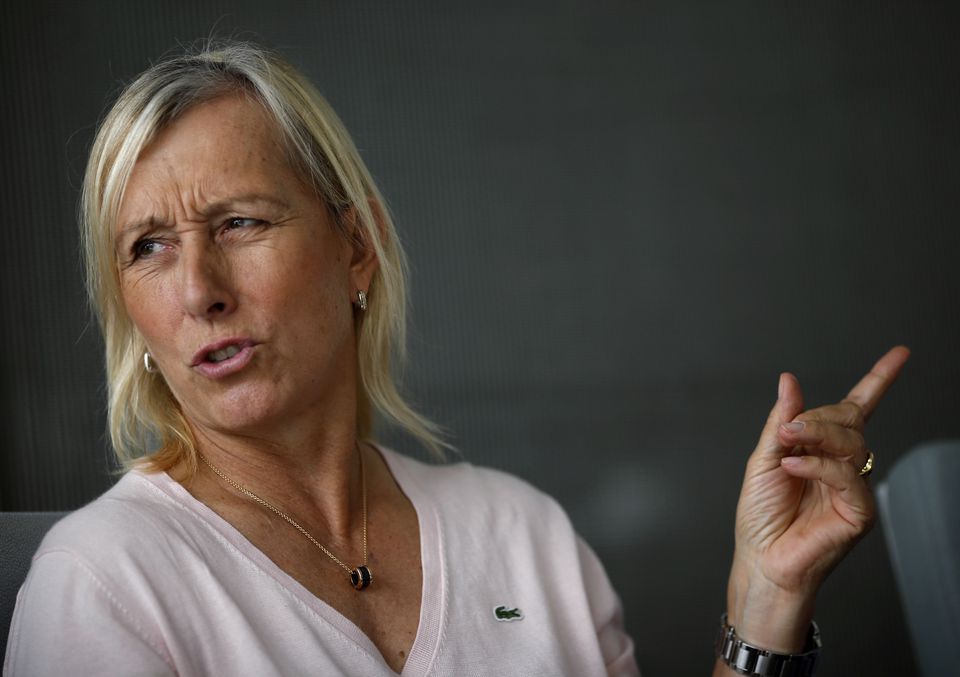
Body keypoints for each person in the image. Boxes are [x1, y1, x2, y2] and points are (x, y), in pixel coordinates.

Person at [2, 41, 908, 677]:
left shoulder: (524, 534)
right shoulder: (104, 582)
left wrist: (765, 601)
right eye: (148, 247)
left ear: (356, 249)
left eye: (239, 222)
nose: (198, 288)